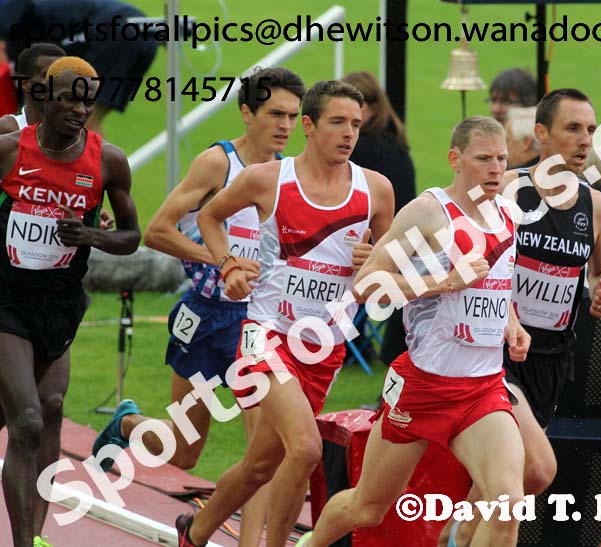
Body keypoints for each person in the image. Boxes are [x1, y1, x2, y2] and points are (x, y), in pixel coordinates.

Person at [174, 80, 395, 547]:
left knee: (260, 465)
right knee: (307, 448)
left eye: (356, 124)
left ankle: (193, 533)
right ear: (309, 127)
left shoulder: (375, 191)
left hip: (325, 344)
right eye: (337, 122)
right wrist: (228, 262)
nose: (349, 133)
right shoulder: (266, 180)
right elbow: (210, 217)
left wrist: (373, 260)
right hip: (266, 334)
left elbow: (384, 278)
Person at [91, 67, 304, 547]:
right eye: (275, 113)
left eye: (293, 116)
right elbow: (158, 231)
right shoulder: (217, 164)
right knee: (185, 451)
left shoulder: (286, 174)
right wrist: (223, 259)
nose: (285, 126)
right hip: (206, 316)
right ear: (247, 113)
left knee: (261, 452)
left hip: (257, 325)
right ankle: (126, 422)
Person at [296, 115, 530, 547]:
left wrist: (512, 324)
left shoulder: (507, 214)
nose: (496, 169)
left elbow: (500, 281)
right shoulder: (429, 212)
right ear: (455, 160)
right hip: (423, 387)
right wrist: (444, 282)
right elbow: (366, 285)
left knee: (508, 504)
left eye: (501, 158)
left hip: (482, 387)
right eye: (484, 159)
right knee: (368, 506)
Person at [442, 87, 601, 547]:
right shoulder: (510, 192)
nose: (584, 140)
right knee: (537, 469)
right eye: (572, 129)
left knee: (509, 479)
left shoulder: (596, 206)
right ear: (542, 134)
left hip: (552, 360)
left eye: (591, 131)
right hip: (500, 353)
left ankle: (452, 536)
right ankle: (454, 535)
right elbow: (462, 244)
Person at [0, 56, 140, 547]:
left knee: (52, 406)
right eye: (69, 98)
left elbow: (131, 236)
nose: (80, 109)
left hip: (59, 302)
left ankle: (35, 532)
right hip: (7, 298)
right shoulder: (9, 149)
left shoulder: (108, 160)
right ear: (44, 97)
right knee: (27, 422)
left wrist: (89, 236)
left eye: (88, 100)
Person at [340, 70, 416, 368]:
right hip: (410, 242)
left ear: (368, 107)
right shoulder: (395, 140)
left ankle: (340, 338)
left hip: (387, 245)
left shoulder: (362, 149)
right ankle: (356, 340)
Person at [1, 0, 159, 134]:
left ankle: (95, 169)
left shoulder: (13, 19)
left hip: (117, 32)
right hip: (137, 30)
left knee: (79, 122)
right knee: (81, 121)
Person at [0, 42, 65, 133]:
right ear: (25, 83)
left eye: (62, 75)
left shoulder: (77, 134)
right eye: (48, 75)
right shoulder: (5, 131)